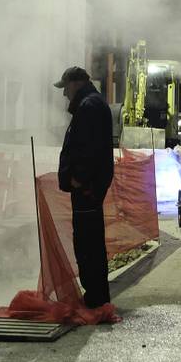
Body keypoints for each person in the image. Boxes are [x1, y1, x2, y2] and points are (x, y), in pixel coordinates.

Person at [55, 66, 114, 308]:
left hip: (87, 187)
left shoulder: (89, 107)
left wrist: (79, 178)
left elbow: (87, 148)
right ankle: (95, 294)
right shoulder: (93, 103)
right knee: (89, 240)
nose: (64, 94)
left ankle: (95, 297)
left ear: (76, 83)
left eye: (65, 87)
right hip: (90, 185)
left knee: (87, 242)